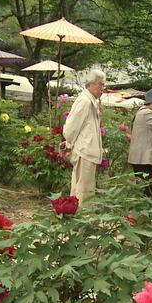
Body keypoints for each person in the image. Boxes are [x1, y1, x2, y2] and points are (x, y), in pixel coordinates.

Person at [63, 69, 106, 204]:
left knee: (82, 189)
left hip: (87, 151)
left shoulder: (91, 101)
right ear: (90, 84)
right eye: (100, 85)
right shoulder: (85, 101)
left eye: (103, 85)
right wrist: (69, 144)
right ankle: (82, 222)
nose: (102, 89)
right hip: (84, 152)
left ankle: (78, 219)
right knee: (83, 191)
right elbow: (71, 127)